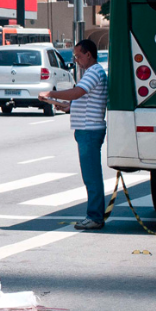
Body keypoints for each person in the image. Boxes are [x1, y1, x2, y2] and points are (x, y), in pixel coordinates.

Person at [39, 39, 109, 230]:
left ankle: (94, 216)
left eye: (78, 56)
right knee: (91, 175)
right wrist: (69, 107)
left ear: (89, 54)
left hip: (89, 130)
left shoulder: (94, 72)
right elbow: (83, 99)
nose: (76, 60)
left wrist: (51, 94)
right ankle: (95, 215)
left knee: (91, 176)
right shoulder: (92, 72)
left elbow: (77, 92)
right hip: (87, 129)